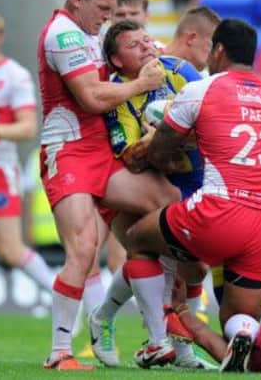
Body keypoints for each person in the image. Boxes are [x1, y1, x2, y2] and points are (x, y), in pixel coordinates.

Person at [107, 19, 261, 370]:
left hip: (221, 209)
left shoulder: (203, 88)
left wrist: (166, 142)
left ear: (218, 50)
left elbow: (159, 151)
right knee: (236, 318)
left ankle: (160, 339)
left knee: (139, 238)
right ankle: (243, 335)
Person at [37, 0, 180, 371]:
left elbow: (137, 51)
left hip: (102, 151)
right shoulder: (62, 34)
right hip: (67, 150)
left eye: (112, 9)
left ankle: (138, 319)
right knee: (83, 248)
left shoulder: (90, 32)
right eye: (102, 8)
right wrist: (141, 85)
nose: (107, 16)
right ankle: (60, 351)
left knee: (169, 208)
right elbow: (91, 97)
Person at [90, 19, 211, 369]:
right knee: (162, 255)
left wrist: (169, 131)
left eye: (146, 40)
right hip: (149, 188)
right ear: (116, 60)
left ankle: (106, 315)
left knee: (194, 267)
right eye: (134, 45)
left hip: (190, 180)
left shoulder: (177, 70)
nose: (146, 47)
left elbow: (211, 114)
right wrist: (162, 136)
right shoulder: (119, 94)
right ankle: (166, 345)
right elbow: (131, 159)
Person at [0, 11, 55, 292]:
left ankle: (61, 295)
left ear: (0, 38)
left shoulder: (15, 76)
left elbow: (28, 128)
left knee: (9, 249)